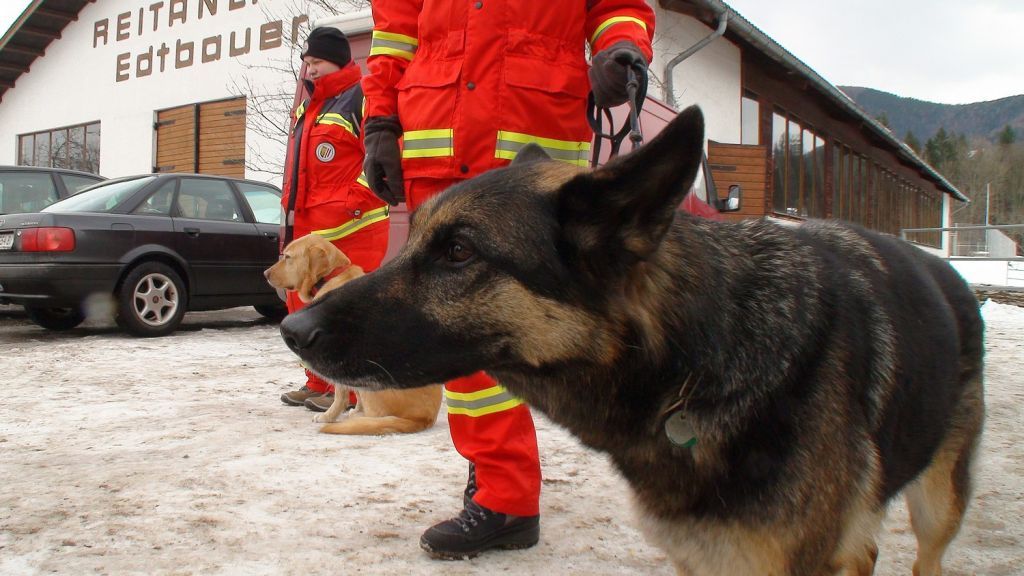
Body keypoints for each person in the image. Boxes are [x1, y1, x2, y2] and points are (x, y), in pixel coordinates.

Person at [361, 0, 655, 559]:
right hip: (440, 140)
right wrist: (378, 121)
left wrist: (622, 48)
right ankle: (502, 490)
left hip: (529, 150)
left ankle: (506, 491)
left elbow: (619, 7)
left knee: (524, 329)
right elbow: (394, 33)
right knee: (460, 332)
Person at [279, 26, 390, 412]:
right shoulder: (308, 105)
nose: (310, 69)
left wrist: (351, 203)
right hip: (310, 228)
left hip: (353, 229)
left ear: (339, 61)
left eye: (318, 62)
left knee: (346, 313)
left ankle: (354, 390)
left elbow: (380, 157)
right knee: (305, 309)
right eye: (307, 63)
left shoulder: (361, 97)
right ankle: (319, 382)